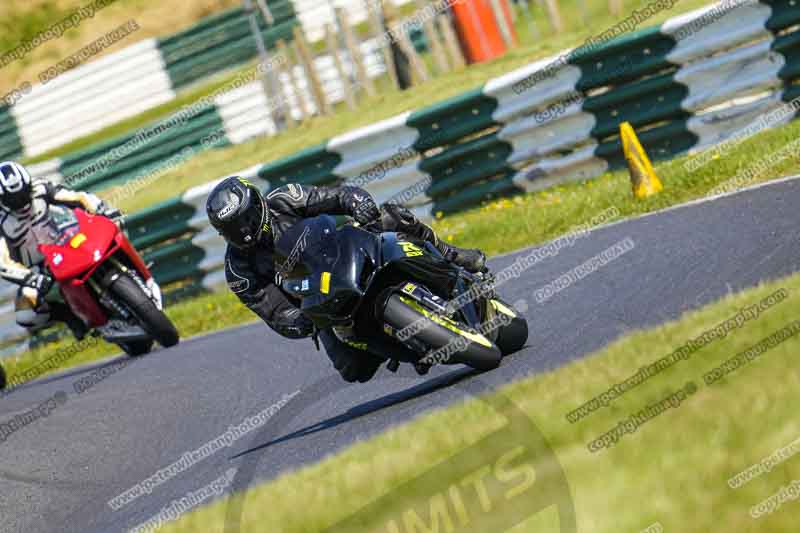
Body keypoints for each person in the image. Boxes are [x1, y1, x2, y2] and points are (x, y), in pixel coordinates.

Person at [206, 176, 487, 383]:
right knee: (353, 369)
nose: (243, 231)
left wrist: (357, 202)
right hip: (321, 302)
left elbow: (335, 196)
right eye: (232, 229)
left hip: (345, 251)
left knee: (391, 217)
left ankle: (451, 255)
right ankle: (405, 343)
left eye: (245, 220)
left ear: (258, 205)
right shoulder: (238, 270)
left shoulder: (285, 198)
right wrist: (301, 319)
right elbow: (276, 314)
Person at [0, 161, 118, 339]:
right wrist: (30, 278)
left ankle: (129, 275)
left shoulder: (41, 188)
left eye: (24, 193)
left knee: (108, 236)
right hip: (35, 267)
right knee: (26, 314)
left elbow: (77, 197)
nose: (21, 201)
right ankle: (69, 316)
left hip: (64, 242)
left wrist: (103, 210)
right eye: (13, 199)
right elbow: (2, 261)